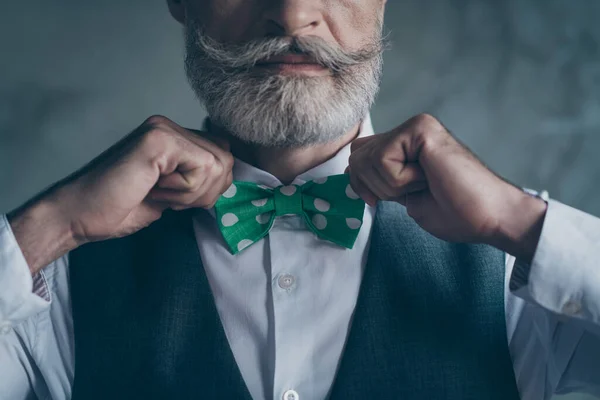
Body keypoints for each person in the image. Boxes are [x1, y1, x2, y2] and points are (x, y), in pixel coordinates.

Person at [1, 0, 599, 399]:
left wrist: (521, 224)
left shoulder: (527, 263)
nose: (292, 13)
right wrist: (48, 228)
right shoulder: (47, 277)